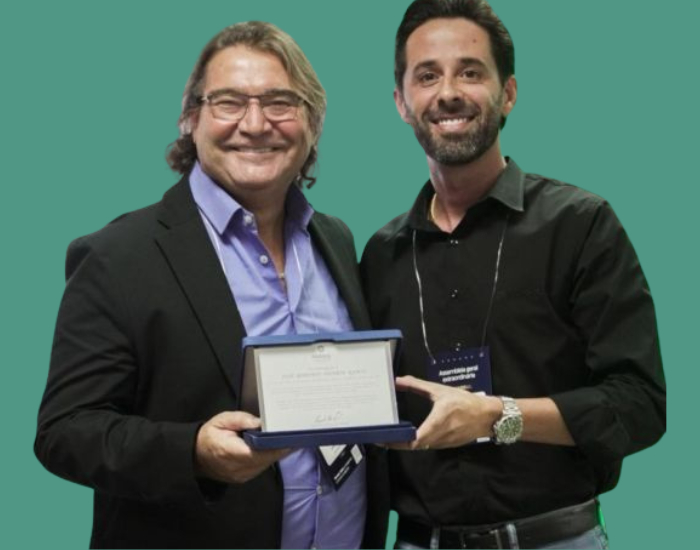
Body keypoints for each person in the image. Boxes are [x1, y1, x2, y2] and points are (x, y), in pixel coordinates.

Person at [35, 21, 388, 549]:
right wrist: (194, 452)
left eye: (280, 103)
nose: (255, 123)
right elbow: (65, 431)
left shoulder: (334, 239)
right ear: (190, 118)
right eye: (228, 102)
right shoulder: (118, 256)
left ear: (312, 124)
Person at [360, 1, 666, 548]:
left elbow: (640, 404)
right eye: (427, 76)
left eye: (470, 72)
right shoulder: (381, 255)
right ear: (402, 103)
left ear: (508, 94)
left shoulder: (580, 225)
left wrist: (498, 415)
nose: (448, 92)